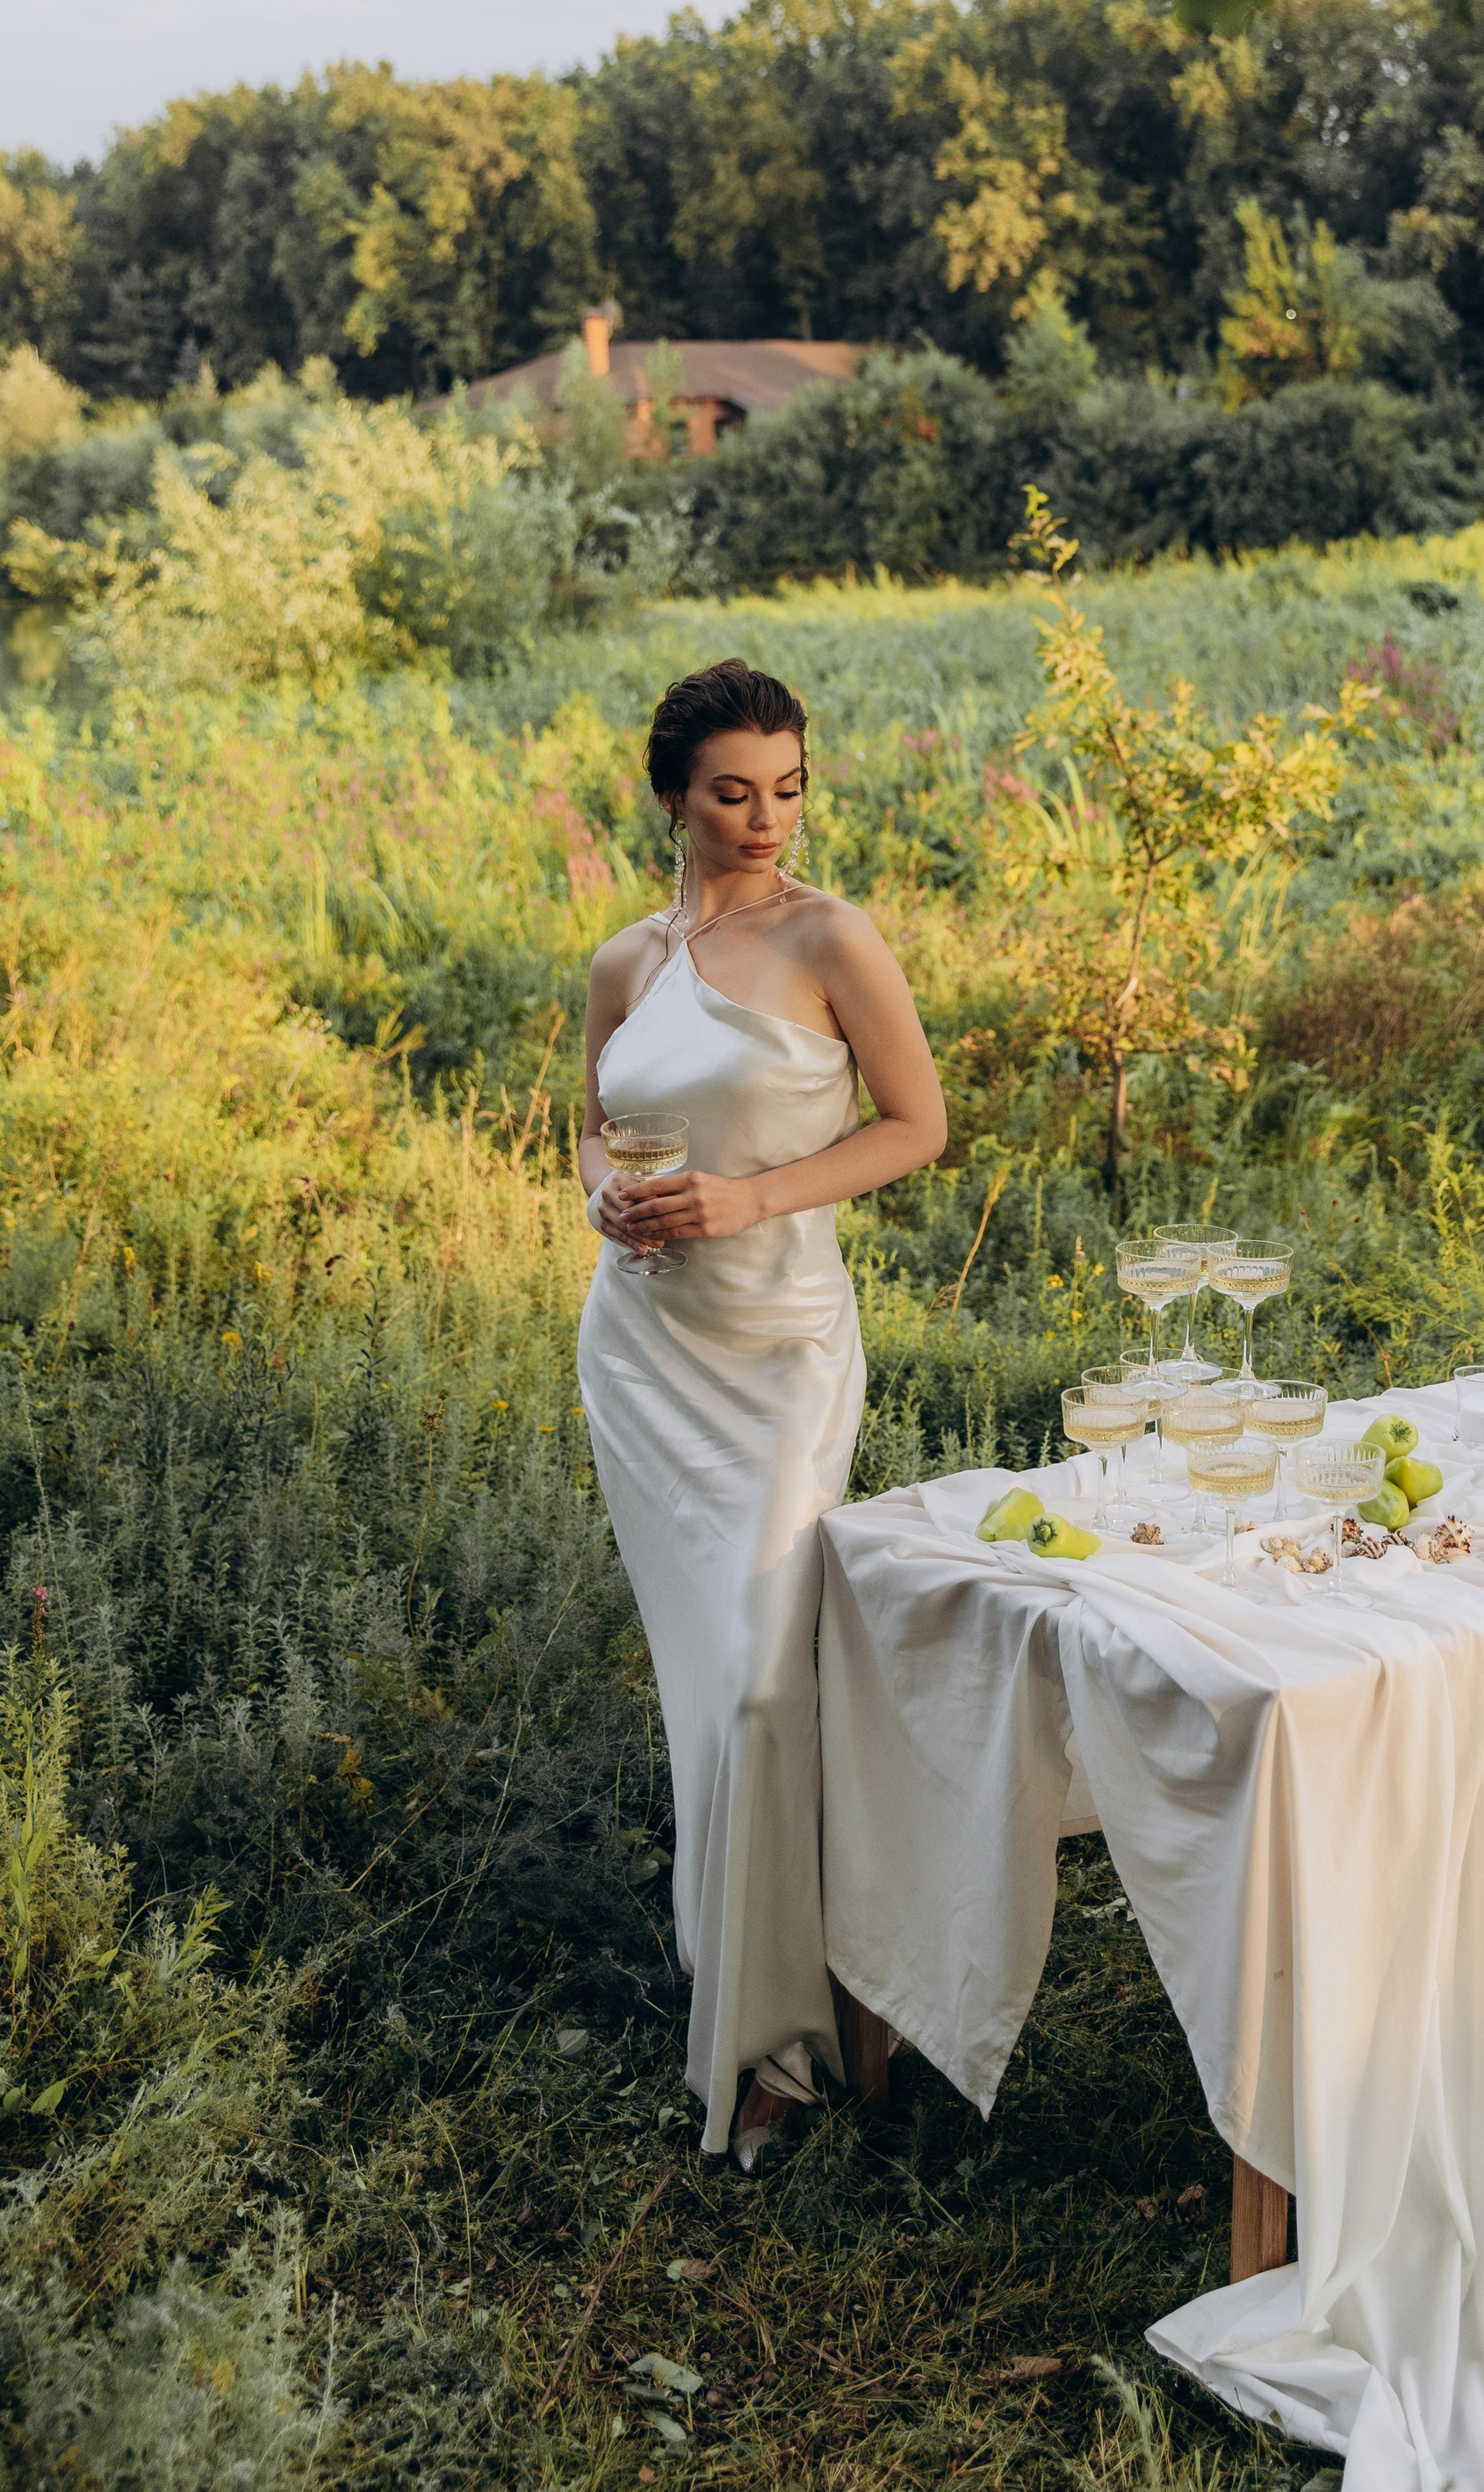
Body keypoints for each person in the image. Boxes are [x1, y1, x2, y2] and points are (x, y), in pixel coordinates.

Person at [577, 660, 946, 2167]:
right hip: (648, 1362)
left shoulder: (831, 937)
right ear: (673, 796)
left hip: (782, 1348)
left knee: (764, 1689)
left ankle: (787, 2034)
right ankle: (755, 2014)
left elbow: (917, 1127)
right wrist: (611, 1200)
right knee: (704, 1698)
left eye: (788, 786)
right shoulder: (623, 961)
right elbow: (592, 1134)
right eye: (734, 791)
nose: (766, 818)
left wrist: (746, 1198)